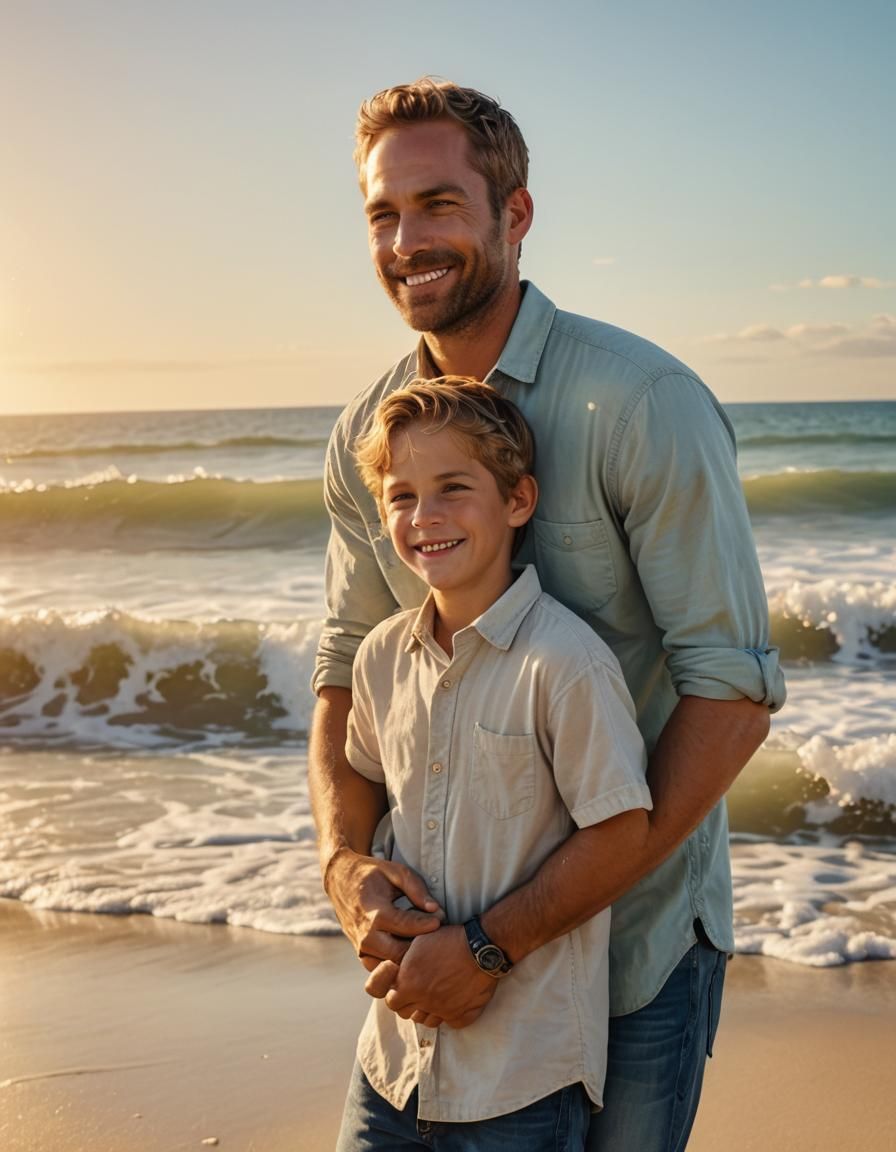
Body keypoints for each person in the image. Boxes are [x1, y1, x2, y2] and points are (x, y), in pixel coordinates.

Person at [310, 77, 786, 1152]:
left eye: (437, 205)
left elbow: (732, 692)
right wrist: (344, 870)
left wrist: (505, 941)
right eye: (382, 214)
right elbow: (346, 672)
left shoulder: (639, 404)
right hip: (436, 955)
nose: (404, 240)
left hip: (632, 950)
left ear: (512, 216)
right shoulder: (366, 439)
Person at [333, 376, 652, 1150]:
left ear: (518, 501)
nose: (425, 517)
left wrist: (481, 948)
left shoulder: (564, 662)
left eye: (453, 488)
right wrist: (353, 875)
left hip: (522, 1080)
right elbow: (367, 785)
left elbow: (621, 834)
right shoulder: (380, 659)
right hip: (391, 1063)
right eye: (402, 496)